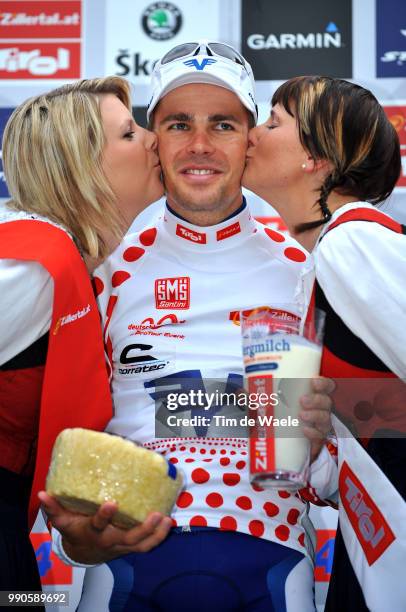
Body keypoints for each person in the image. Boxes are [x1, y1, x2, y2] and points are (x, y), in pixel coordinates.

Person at [46, 44, 337, 611]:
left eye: (222, 124)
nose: (199, 145)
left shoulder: (310, 266)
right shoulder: (99, 265)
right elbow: (63, 440)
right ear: (153, 140)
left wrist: (327, 436)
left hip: (273, 551)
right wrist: (78, 540)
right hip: (130, 562)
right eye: (179, 124)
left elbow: (356, 458)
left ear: (250, 139)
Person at [0, 76, 172, 595]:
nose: (154, 139)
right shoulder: (30, 265)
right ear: (78, 165)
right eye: (128, 134)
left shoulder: (82, 268)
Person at [242, 75, 406, 612]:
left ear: (315, 156)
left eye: (272, 123)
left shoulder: (354, 241)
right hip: (373, 552)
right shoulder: (314, 264)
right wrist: (316, 447)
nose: (250, 134)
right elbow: (372, 435)